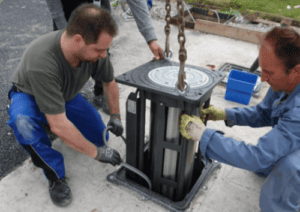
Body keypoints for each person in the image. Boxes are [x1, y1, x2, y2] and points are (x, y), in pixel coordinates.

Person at [7, 4, 124, 207]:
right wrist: (97, 154)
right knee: (24, 124)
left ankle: (49, 117)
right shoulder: (42, 61)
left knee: (100, 136)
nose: (104, 55)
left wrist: (115, 115)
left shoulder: (94, 51)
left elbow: (109, 82)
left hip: (64, 96)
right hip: (30, 96)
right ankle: (55, 177)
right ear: (78, 40)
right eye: (99, 50)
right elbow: (59, 126)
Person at [180, 26, 300, 212]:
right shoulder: (286, 82)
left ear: (296, 71)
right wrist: (227, 115)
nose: (264, 79)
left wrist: (202, 135)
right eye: (263, 70)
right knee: (268, 161)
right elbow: (264, 113)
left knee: (286, 172)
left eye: (269, 72)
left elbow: (257, 157)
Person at [45, 0, 164, 114]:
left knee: (101, 48)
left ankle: (101, 91)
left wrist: (151, 39)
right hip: (67, 4)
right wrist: (62, 26)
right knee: (65, 55)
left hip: (98, 3)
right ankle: (58, 103)